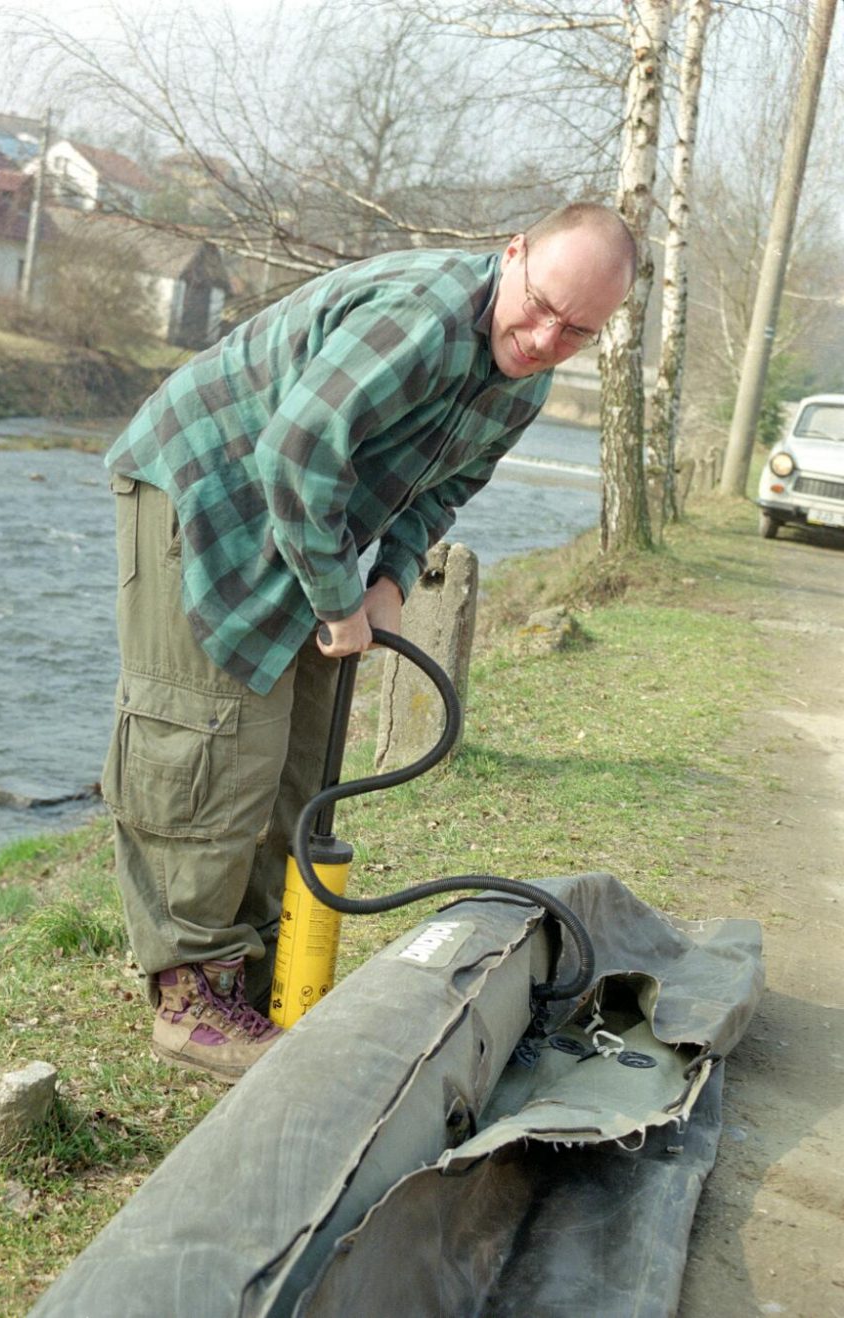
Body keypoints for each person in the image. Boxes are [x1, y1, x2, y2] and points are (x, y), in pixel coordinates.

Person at [101, 201, 636, 1083]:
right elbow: (296, 451)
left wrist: (388, 580)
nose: (545, 339)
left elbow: (443, 486)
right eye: (540, 305)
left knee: (300, 758)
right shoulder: (420, 319)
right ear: (511, 253)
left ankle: (259, 964)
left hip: (309, 521)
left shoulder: (524, 381)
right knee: (211, 740)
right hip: (204, 487)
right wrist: (336, 593)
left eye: (577, 330)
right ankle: (190, 992)